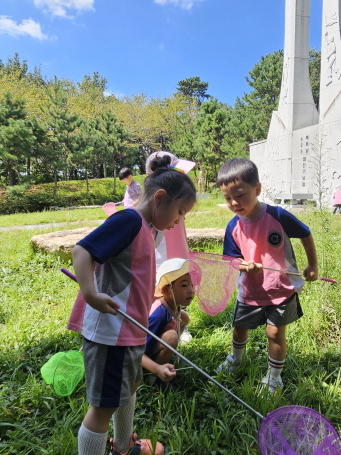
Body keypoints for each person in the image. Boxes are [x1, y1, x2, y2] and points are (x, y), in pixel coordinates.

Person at [67, 160, 196, 455]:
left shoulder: (148, 228)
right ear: (160, 197)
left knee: (129, 389)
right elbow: (82, 250)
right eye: (179, 212)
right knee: (103, 407)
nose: (179, 221)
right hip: (111, 334)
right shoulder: (128, 221)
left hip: (131, 330)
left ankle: (124, 447)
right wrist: (90, 292)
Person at [214, 158, 318, 395]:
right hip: (250, 291)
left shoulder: (278, 215)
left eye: (240, 195)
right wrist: (244, 266)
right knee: (240, 327)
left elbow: (305, 234)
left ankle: (274, 378)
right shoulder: (233, 227)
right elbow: (230, 261)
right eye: (227, 198)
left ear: (257, 189)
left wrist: (312, 265)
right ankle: (236, 359)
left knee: (274, 332)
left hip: (281, 289)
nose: (234, 203)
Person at [146, 151, 196, 345]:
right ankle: (155, 325)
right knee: (160, 286)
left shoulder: (177, 201)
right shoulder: (153, 209)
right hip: (159, 253)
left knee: (180, 283)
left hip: (178, 249)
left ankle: (178, 324)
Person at [143, 258, 194, 389]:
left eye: (191, 285)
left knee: (184, 317)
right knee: (171, 337)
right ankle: (154, 379)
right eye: (184, 285)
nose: (191, 290)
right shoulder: (158, 315)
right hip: (143, 358)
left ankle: (168, 356)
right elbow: (139, 351)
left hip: (155, 346)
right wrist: (156, 368)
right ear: (166, 291)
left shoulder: (175, 306)